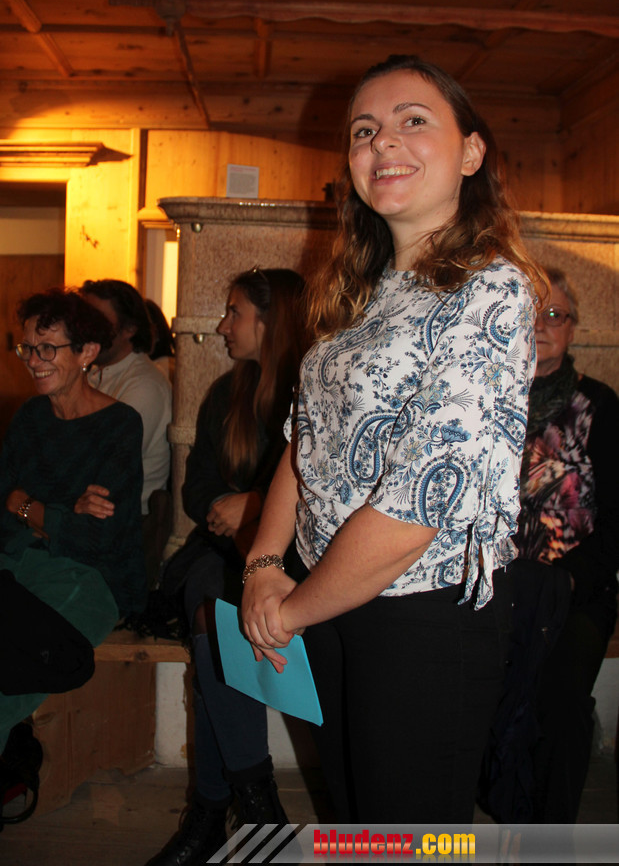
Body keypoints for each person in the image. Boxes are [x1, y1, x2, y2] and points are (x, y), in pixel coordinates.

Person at [241, 54, 544, 824]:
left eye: (413, 120)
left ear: (470, 152)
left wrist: (291, 609)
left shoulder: (490, 289)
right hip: (329, 596)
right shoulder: (360, 290)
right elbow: (303, 443)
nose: (382, 143)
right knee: (355, 818)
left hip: (419, 613)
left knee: (406, 834)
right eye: (363, 130)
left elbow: (419, 505)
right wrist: (264, 566)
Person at [0, 287, 145, 837]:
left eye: (48, 348)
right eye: (27, 347)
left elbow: (99, 540)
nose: (33, 360)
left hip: (88, 583)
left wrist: (27, 505)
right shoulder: (29, 418)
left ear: (87, 353)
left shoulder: (120, 424)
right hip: (11, 566)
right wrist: (56, 512)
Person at [144, 268, 308, 866]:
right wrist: (228, 508)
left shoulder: (314, 389)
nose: (221, 325)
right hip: (218, 554)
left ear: (271, 321)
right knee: (213, 600)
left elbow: (329, 489)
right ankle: (257, 806)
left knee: (215, 616)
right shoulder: (225, 394)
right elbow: (195, 490)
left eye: (234, 312)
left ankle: (214, 812)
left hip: (294, 558)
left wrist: (257, 506)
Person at [512, 266, 619, 822]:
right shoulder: (488, 397)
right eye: (532, 312)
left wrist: (571, 576)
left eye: (555, 314)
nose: (541, 324)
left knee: (560, 696)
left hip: (576, 588)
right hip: (497, 587)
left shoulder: (599, 406)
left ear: (573, 328)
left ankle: (547, 840)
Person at [81, 279, 173, 586]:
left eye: (98, 320)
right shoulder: (95, 373)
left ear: (129, 329)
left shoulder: (144, 384)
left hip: (123, 523)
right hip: (89, 510)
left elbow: (101, 466)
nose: (85, 328)